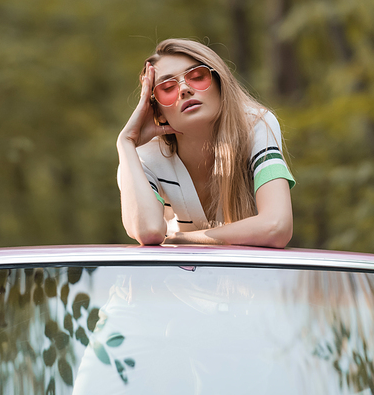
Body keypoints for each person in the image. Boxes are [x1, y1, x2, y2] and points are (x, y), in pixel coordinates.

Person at [116, 38, 294, 246]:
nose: (184, 89)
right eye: (167, 87)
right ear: (158, 112)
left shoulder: (254, 125)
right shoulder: (144, 156)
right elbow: (149, 232)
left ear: (220, 85)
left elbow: (277, 226)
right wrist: (126, 142)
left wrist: (180, 239)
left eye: (197, 76)